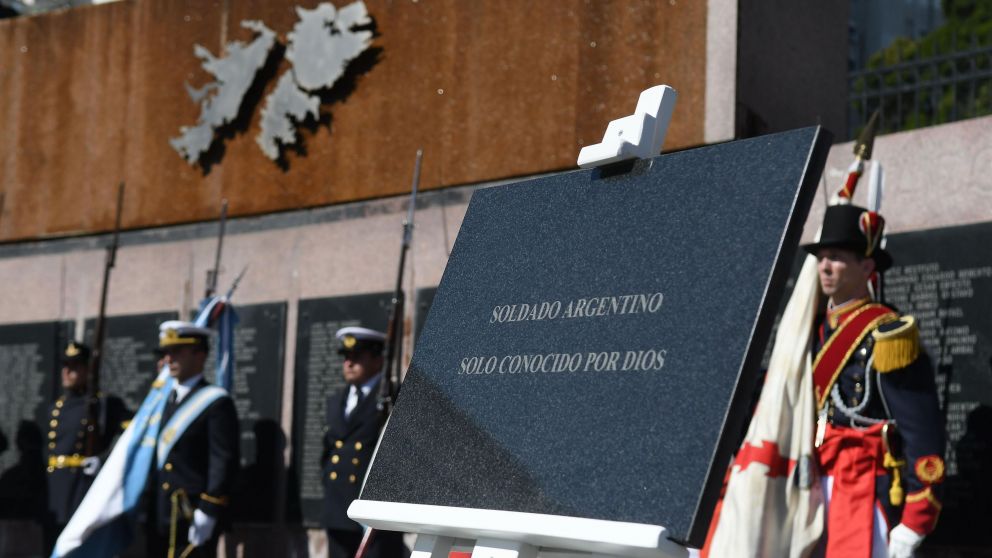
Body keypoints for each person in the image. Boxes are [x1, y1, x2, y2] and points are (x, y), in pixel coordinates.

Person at [802, 204, 945, 558]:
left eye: (836, 257)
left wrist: (916, 518)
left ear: (866, 267)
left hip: (867, 488)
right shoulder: (811, 331)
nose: (825, 267)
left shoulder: (889, 335)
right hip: (811, 487)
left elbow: (922, 429)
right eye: (821, 257)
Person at [145, 321, 239, 558]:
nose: (169, 359)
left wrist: (209, 508)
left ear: (200, 354)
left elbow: (222, 459)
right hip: (159, 510)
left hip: (190, 511)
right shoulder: (161, 400)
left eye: (177, 351)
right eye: (166, 352)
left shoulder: (215, 402)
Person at [321, 326, 407, 558]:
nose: (349, 363)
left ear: (378, 360)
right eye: (346, 357)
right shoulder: (337, 400)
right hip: (338, 508)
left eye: (357, 357)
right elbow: (328, 450)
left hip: (373, 512)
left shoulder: (394, 397)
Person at [43, 341, 130, 554]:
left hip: (83, 488)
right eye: (65, 366)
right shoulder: (56, 407)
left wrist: (102, 459)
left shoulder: (105, 405)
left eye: (74, 366)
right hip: (55, 490)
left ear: (88, 370)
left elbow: (132, 436)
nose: (67, 372)